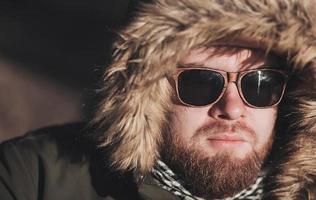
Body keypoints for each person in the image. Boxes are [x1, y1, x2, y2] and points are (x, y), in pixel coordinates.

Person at [1, 0, 316, 199]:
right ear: (145, 90)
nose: (232, 109)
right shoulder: (30, 178)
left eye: (261, 85)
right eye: (200, 83)